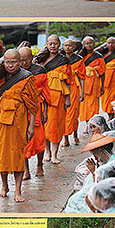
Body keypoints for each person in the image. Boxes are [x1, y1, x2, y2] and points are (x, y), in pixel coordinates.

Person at [0, 49, 38, 202]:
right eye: (7, 62)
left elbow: (33, 105)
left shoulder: (27, 78)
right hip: (0, 122)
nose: (10, 65)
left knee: (18, 155)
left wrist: (31, 126)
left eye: (14, 62)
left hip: (18, 122)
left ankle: (18, 190)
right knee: (2, 155)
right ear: (3, 62)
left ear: (20, 62)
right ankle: (4, 186)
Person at [19, 46, 50, 180]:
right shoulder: (15, 73)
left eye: (27, 60)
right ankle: (26, 170)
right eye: (21, 60)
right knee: (22, 141)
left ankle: (39, 165)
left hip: (37, 109)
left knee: (39, 139)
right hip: (20, 111)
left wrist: (45, 111)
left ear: (32, 58)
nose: (24, 63)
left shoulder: (39, 71)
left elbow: (45, 92)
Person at [41, 35, 72, 164]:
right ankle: (47, 152)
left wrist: (68, 98)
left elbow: (68, 80)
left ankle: (54, 154)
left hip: (59, 98)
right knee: (45, 126)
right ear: (47, 45)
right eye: (50, 43)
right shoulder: (42, 60)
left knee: (56, 125)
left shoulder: (64, 60)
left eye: (55, 43)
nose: (53, 46)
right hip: (45, 97)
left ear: (59, 44)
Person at [62, 39, 85, 147]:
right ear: (63, 47)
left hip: (74, 88)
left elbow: (82, 77)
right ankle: (65, 138)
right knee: (64, 114)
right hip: (63, 88)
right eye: (66, 45)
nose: (68, 48)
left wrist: (82, 92)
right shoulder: (60, 60)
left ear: (74, 47)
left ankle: (75, 135)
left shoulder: (79, 59)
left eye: (70, 46)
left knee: (74, 113)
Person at [79, 36, 105, 124]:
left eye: (90, 43)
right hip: (84, 82)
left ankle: (93, 123)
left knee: (94, 104)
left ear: (94, 44)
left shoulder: (98, 56)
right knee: (85, 105)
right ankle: (87, 124)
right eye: (86, 43)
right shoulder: (81, 56)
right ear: (83, 45)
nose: (89, 45)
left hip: (95, 83)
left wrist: (103, 86)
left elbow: (102, 72)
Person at [102, 37, 115, 118]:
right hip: (105, 79)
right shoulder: (103, 54)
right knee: (105, 98)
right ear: (106, 44)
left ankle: (113, 115)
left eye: (113, 43)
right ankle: (109, 114)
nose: (111, 45)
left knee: (114, 96)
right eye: (109, 43)